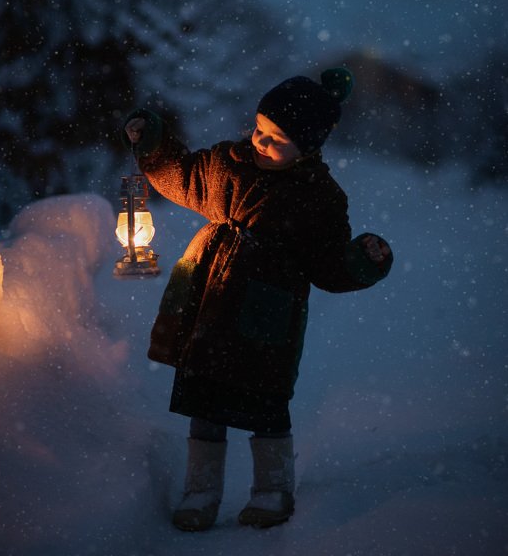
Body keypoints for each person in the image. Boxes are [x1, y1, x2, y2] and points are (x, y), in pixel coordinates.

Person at [122, 68, 393, 532]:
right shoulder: (227, 164)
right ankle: (201, 489)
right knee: (204, 403)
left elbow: (328, 264)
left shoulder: (320, 198)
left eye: (276, 138)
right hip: (208, 308)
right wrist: (154, 143)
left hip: (266, 318)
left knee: (265, 406)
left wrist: (361, 262)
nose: (261, 141)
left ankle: (273, 489)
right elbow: (182, 175)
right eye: (259, 128)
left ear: (307, 147)